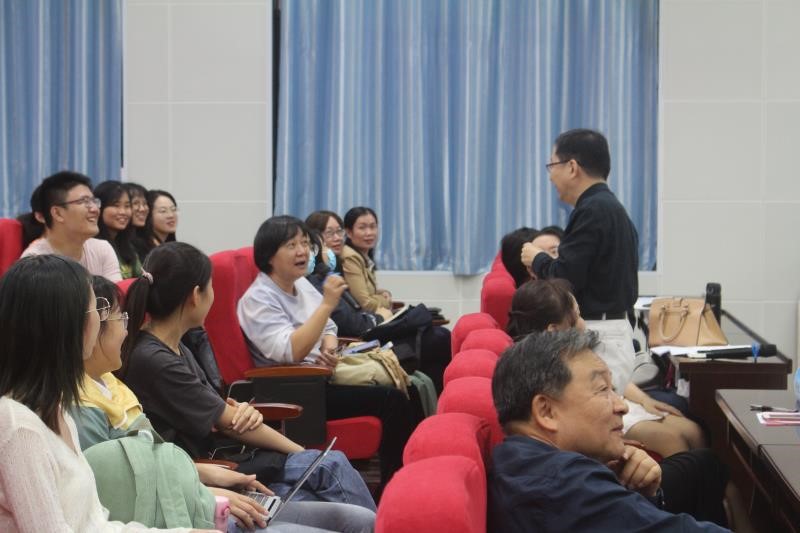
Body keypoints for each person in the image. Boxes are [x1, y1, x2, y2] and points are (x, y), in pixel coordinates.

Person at [73, 275, 375, 533]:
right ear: (90, 329)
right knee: (325, 475)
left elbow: (162, 454)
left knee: (360, 519)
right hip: (185, 506)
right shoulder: (86, 406)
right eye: (120, 319)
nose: (127, 330)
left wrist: (233, 420)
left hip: (203, 482)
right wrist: (207, 487)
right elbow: (121, 491)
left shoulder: (114, 383)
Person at [120, 241, 376, 511]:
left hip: (222, 456)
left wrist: (240, 410)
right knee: (329, 466)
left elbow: (221, 411)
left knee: (325, 484)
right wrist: (302, 452)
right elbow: (228, 421)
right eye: (211, 287)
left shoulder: (175, 344)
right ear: (195, 295)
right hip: (209, 471)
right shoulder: (156, 359)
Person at [0, 254, 214, 532]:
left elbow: (95, 524)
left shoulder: (56, 410)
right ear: (66, 326)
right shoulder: (19, 427)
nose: (104, 322)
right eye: (97, 311)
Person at [489, 329, 730, 532]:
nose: (622, 406)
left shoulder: (516, 458)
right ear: (546, 411)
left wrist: (644, 494)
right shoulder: (568, 487)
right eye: (603, 389)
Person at [238, 215, 417, 486]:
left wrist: (329, 349)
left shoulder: (299, 283)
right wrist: (326, 305)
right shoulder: (258, 299)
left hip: (323, 373)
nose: (302, 251)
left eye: (304, 243)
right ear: (269, 256)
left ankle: (411, 474)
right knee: (392, 401)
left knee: (405, 384)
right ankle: (398, 486)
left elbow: (329, 327)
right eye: (291, 245)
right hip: (296, 390)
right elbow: (291, 351)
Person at [507, 279, 706, 458]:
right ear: (554, 329)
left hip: (609, 403)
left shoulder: (576, 351)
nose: (584, 324)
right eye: (578, 316)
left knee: (693, 431)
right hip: (595, 416)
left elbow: (609, 382)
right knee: (670, 439)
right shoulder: (539, 369)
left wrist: (646, 400)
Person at [521, 128, 638, 395]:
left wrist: (537, 258)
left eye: (552, 165)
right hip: (610, 329)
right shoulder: (607, 206)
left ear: (572, 167)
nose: (550, 176)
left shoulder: (592, 210)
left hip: (601, 332)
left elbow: (566, 278)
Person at [19, 170, 122, 281]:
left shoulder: (102, 249)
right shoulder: (34, 264)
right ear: (58, 213)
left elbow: (115, 292)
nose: (95, 209)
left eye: (94, 201)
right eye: (84, 201)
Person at [340, 207, 392, 314]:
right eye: (362, 228)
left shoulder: (364, 256)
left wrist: (382, 292)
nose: (369, 233)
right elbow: (365, 303)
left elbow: (365, 291)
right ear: (349, 232)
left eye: (373, 227)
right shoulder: (350, 257)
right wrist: (386, 301)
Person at [95, 180, 143, 279]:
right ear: (99, 208)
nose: (123, 212)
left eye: (127, 206)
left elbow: (140, 279)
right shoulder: (93, 246)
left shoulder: (127, 246)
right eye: (116, 205)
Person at [137, 189, 178, 258]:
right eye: (163, 211)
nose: (171, 215)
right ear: (148, 214)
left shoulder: (171, 247)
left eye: (173, 209)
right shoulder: (142, 250)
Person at [123, 182, 151, 261]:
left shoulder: (144, 239)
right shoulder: (119, 241)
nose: (142, 209)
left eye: (145, 203)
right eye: (135, 203)